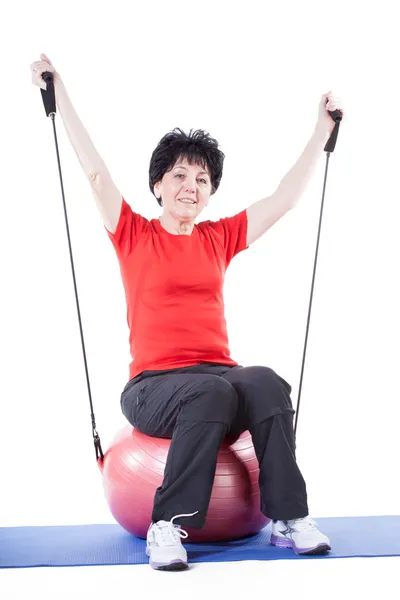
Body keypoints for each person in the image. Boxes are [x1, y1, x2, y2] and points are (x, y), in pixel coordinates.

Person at [31, 53, 343, 571]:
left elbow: (284, 200)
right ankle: (166, 524)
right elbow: (95, 175)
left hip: (215, 376)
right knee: (213, 390)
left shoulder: (218, 237)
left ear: (210, 192)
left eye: (201, 179)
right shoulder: (133, 233)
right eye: (178, 175)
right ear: (158, 185)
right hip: (153, 386)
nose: (189, 186)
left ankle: (289, 519)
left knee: (265, 381)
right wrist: (58, 94)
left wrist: (320, 132)